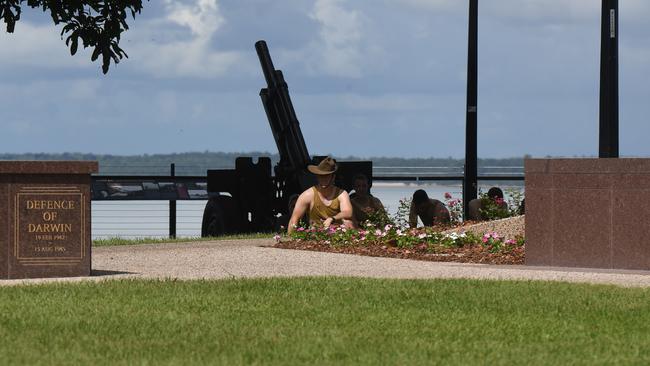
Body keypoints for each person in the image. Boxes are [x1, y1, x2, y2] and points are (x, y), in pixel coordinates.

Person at [287, 157, 354, 234]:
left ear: (333, 177)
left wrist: (332, 219)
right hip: (315, 234)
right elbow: (294, 219)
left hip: (337, 235)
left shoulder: (341, 194)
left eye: (326, 176)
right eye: (320, 176)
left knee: (349, 222)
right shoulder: (307, 195)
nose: (323, 179)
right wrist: (290, 240)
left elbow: (348, 212)